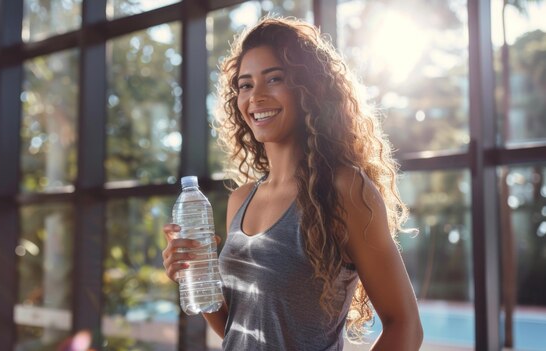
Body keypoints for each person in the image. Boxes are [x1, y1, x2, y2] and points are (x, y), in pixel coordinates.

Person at [162, 16, 423, 350]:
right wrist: (193, 276)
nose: (255, 96)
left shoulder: (344, 190)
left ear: (308, 89)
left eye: (274, 79)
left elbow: (406, 326)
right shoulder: (240, 200)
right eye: (245, 84)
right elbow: (239, 329)